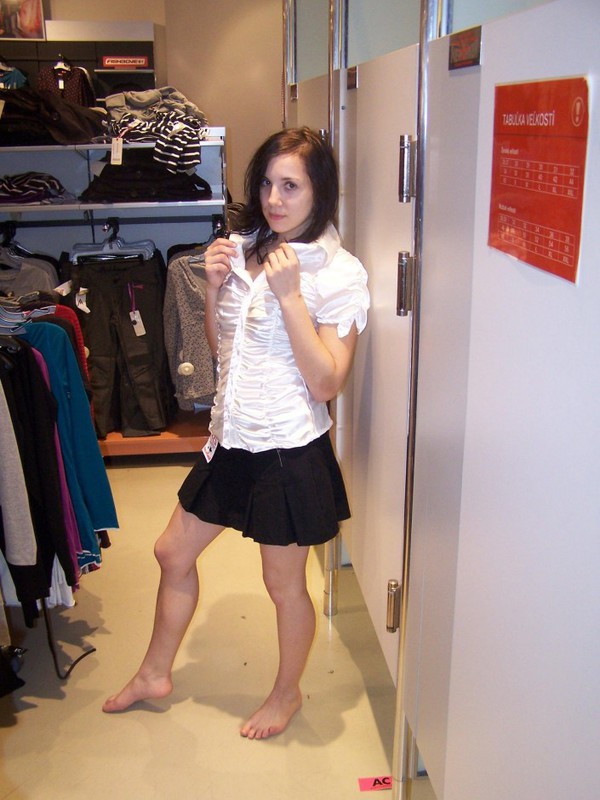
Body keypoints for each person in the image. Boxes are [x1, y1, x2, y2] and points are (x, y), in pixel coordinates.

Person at [102, 127, 370, 739]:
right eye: (267, 183)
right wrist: (215, 288)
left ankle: (287, 693)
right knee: (171, 552)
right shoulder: (245, 245)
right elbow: (224, 350)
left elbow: (327, 382)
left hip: (287, 450)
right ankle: (154, 673)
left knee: (283, 585)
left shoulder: (338, 272)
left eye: (290, 186)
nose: (274, 199)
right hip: (230, 439)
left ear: (320, 191)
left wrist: (291, 299)